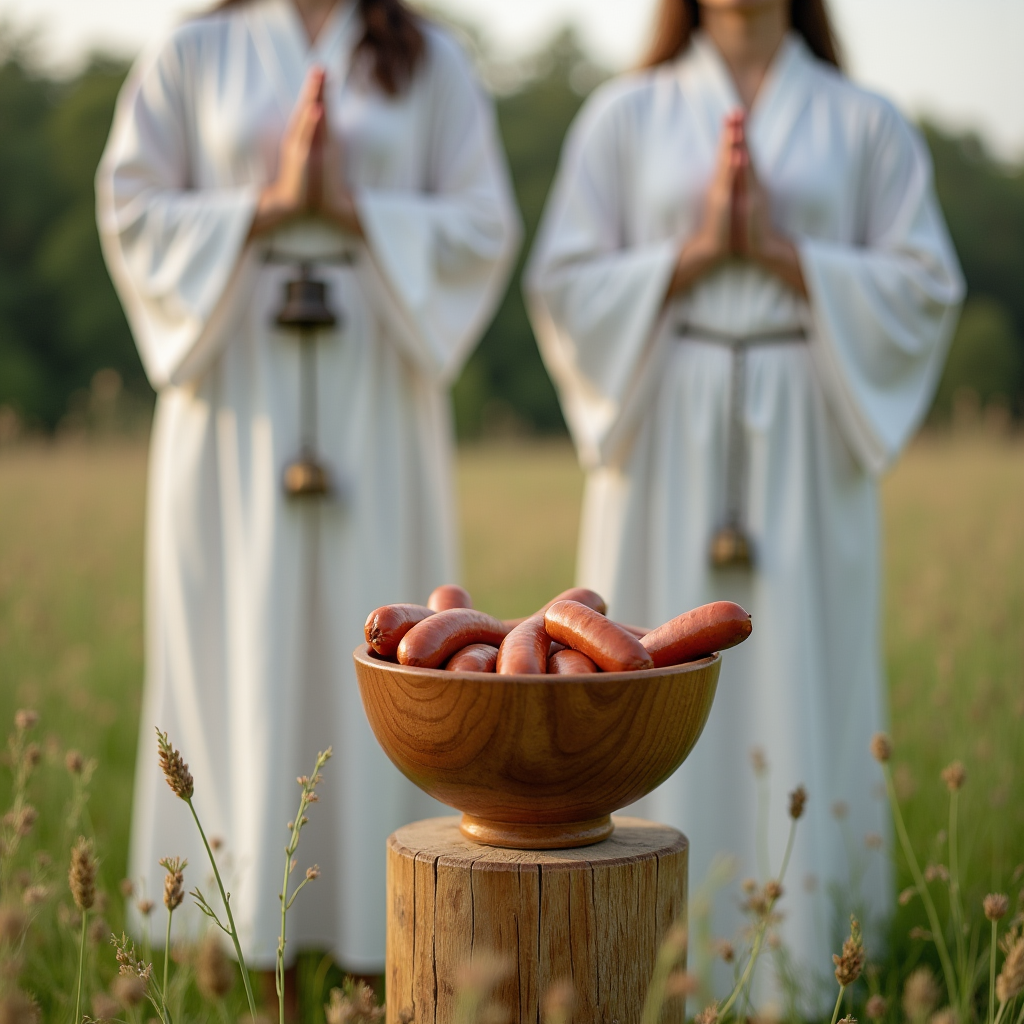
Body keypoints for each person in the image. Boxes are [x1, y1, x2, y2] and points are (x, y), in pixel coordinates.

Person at [525, 0, 962, 1002]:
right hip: (666, 419)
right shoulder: (624, 118)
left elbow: (923, 287)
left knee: (800, 673)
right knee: (639, 683)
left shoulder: (864, 123)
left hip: (803, 433)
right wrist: (694, 253)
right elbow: (562, 284)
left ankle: (805, 966)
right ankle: (641, 956)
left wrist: (779, 256)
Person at [96, 0, 520, 994]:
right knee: (237, 650)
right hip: (234, 383)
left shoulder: (432, 62)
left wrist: (356, 209)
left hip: (376, 373)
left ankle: (388, 946)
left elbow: (481, 224)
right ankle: (244, 952)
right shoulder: (192, 52)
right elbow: (130, 206)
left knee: (392, 653)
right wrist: (268, 204)